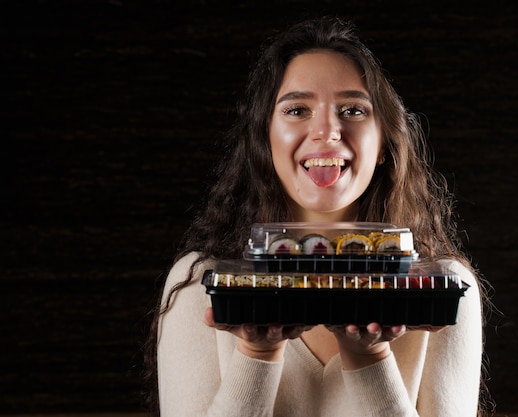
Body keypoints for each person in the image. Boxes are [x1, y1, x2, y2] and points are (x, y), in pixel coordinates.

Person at [144, 16, 492, 417]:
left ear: (384, 142)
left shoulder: (442, 289)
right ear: (265, 139)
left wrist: (371, 358)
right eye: (297, 109)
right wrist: (257, 353)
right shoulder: (198, 283)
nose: (327, 130)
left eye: (352, 110)